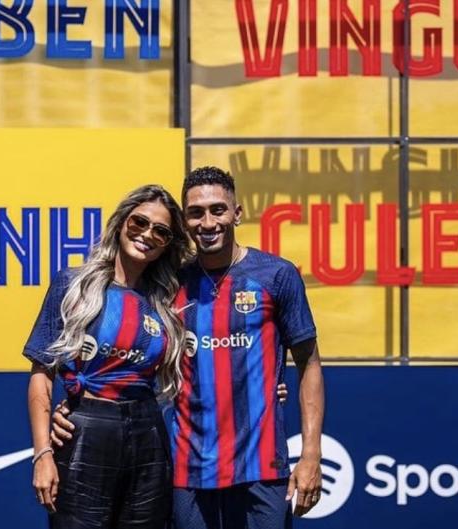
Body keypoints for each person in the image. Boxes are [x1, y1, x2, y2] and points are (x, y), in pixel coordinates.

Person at [53, 167, 325, 529]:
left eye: (218, 210)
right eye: (196, 213)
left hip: (262, 466)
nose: (207, 222)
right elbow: (127, 353)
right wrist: (76, 403)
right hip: (189, 469)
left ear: (237, 213)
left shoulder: (277, 275)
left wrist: (311, 454)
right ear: (185, 221)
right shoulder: (167, 283)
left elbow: (309, 364)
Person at [22, 185, 192, 529]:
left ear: (167, 245)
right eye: (139, 222)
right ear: (121, 222)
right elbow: (42, 373)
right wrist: (42, 454)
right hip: (85, 432)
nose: (147, 234)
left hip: (148, 435)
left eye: (160, 231)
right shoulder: (73, 284)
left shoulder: (168, 299)